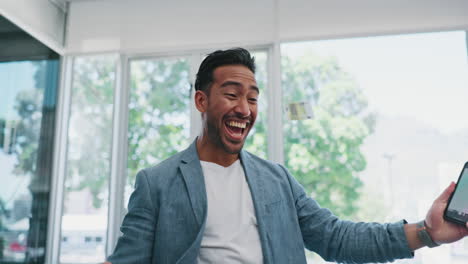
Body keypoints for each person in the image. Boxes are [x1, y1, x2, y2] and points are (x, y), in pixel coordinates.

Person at [106, 48, 468, 264]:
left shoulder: (277, 180)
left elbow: (337, 238)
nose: (245, 109)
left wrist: (427, 232)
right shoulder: (157, 183)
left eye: (252, 98)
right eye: (232, 94)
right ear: (202, 101)